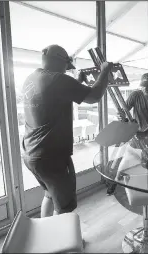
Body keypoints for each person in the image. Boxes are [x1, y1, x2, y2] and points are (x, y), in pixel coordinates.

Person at [22, 44, 113, 217]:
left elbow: (55, 97)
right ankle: (59, 242)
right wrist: (105, 71)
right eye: (66, 66)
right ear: (58, 61)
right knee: (64, 207)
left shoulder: (31, 79)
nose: (66, 70)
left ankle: (46, 235)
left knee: (49, 194)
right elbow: (94, 96)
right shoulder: (58, 79)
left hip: (32, 153)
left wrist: (77, 82)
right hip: (51, 156)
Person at [106, 73, 148, 195]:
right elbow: (124, 110)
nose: (145, 89)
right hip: (136, 134)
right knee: (124, 162)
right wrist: (121, 115)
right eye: (143, 86)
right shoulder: (135, 95)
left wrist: (145, 133)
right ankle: (115, 183)